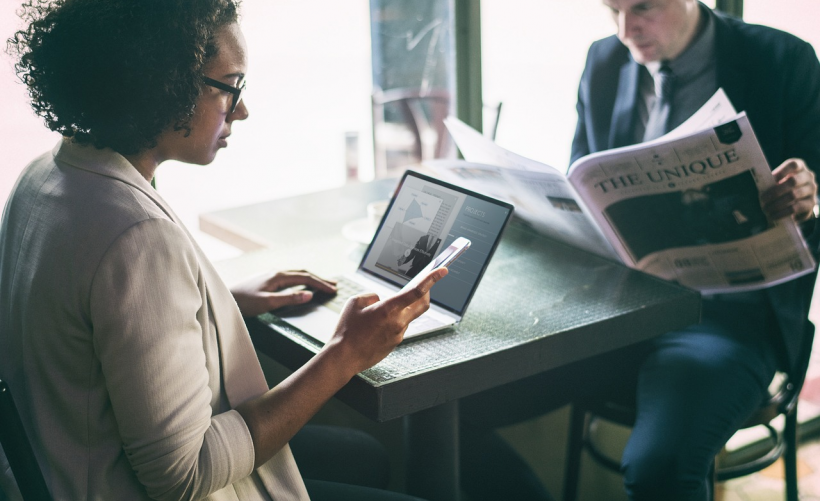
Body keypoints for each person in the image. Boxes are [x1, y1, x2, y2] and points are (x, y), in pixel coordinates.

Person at [0, 1, 445, 500]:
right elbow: (184, 476)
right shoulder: (137, 236)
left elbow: (94, 315)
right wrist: (345, 354)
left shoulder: (45, 176)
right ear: (160, 84)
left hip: (64, 467)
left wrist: (213, 302)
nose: (243, 109)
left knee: (364, 458)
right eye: (230, 86)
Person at [458, 1, 820, 500]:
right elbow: (583, 189)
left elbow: (813, 177)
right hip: (614, 310)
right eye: (613, 9)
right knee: (451, 413)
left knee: (660, 467)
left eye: (643, 6)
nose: (627, 29)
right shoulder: (604, 61)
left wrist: (807, 193)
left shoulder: (782, 59)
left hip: (726, 319)